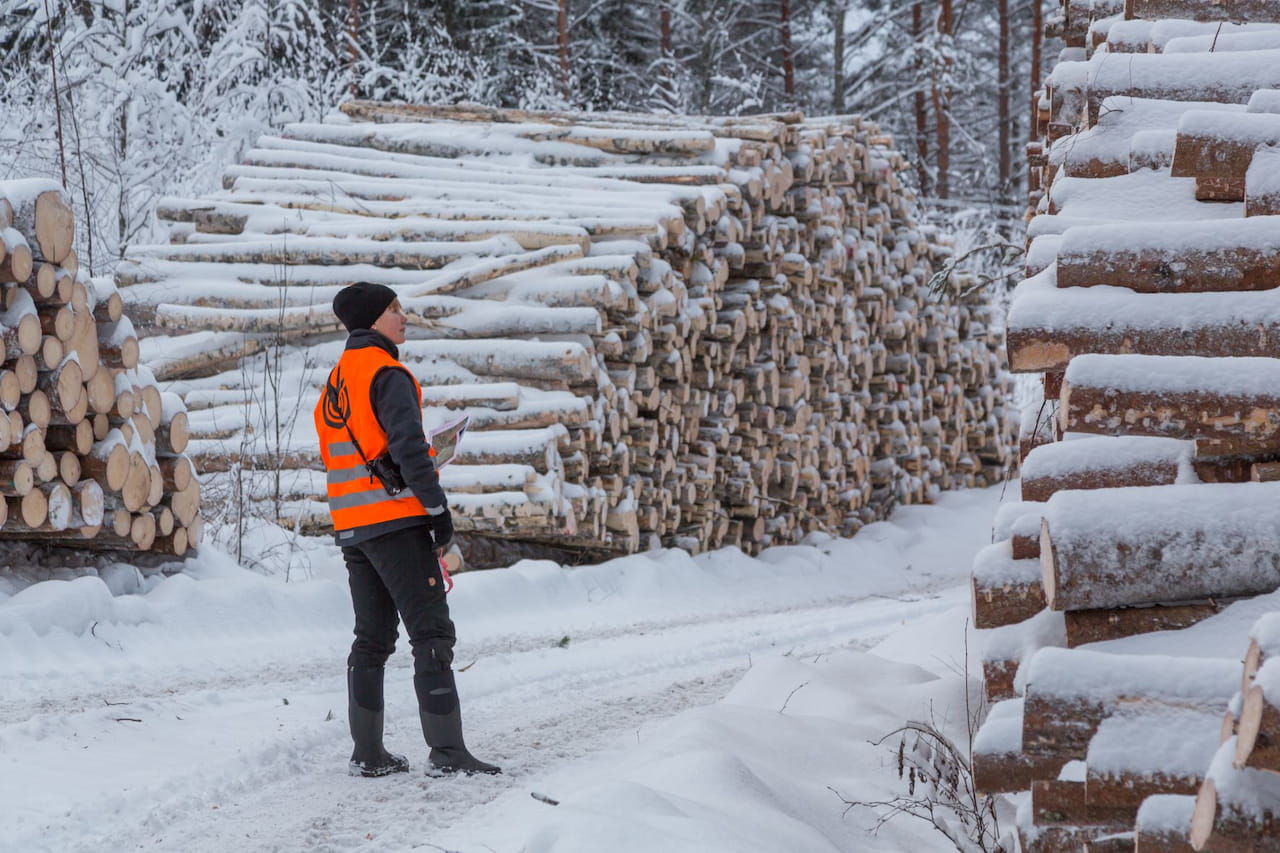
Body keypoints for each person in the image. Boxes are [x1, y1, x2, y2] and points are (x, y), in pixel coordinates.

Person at [314, 281, 500, 777]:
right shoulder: (387, 372)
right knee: (431, 634)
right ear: (374, 319)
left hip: (352, 527)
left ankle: (367, 754)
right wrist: (438, 512)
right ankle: (447, 753)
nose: (404, 316)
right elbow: (409, 450)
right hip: (396, 521)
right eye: (396, 309)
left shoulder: (334, 383)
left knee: (371, 639)